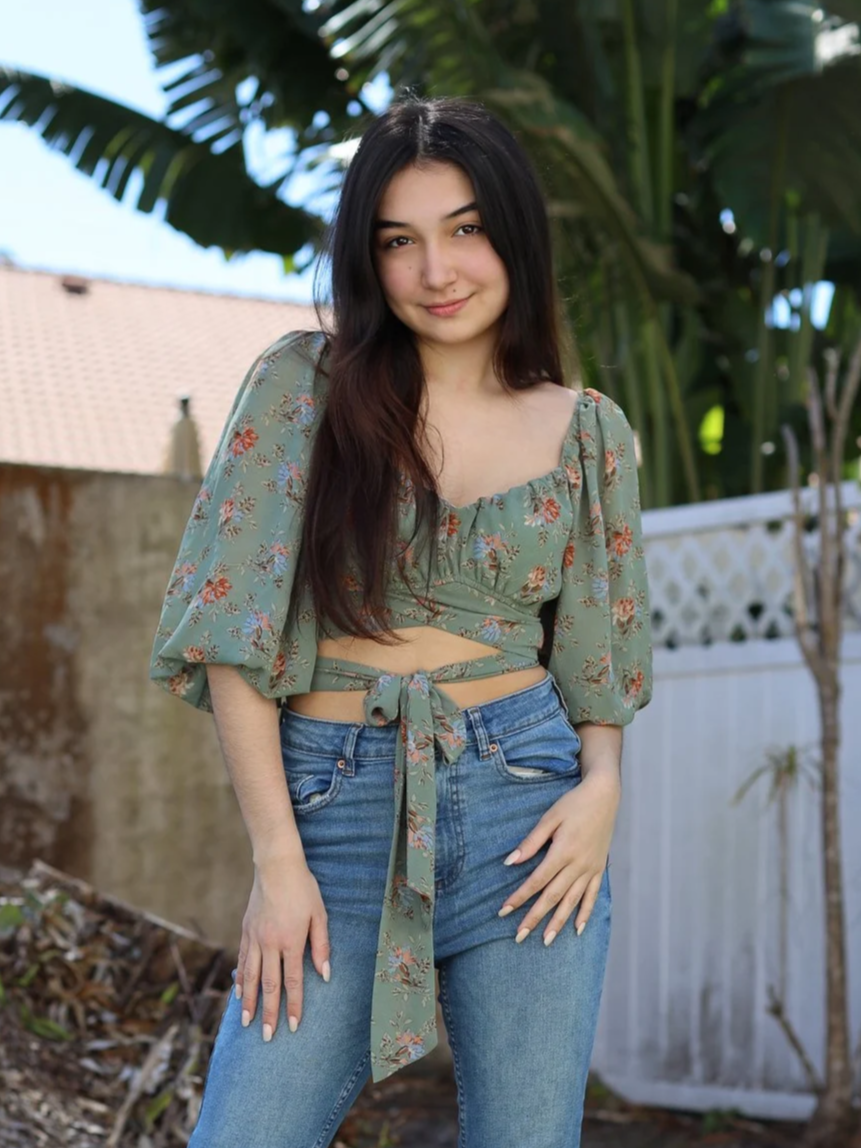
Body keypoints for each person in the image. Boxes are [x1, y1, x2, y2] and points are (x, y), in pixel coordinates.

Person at [150, 94, 652, 1148]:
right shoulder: (304, 386)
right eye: (400, 241)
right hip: (334, 806)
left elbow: (600, 647)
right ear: (366, 258)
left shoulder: (588, 431)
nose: (439, 270)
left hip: (530, 814)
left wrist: (603, 784)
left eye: (466, 228)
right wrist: (277, 862)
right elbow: (232, 635)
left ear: (513, 231)